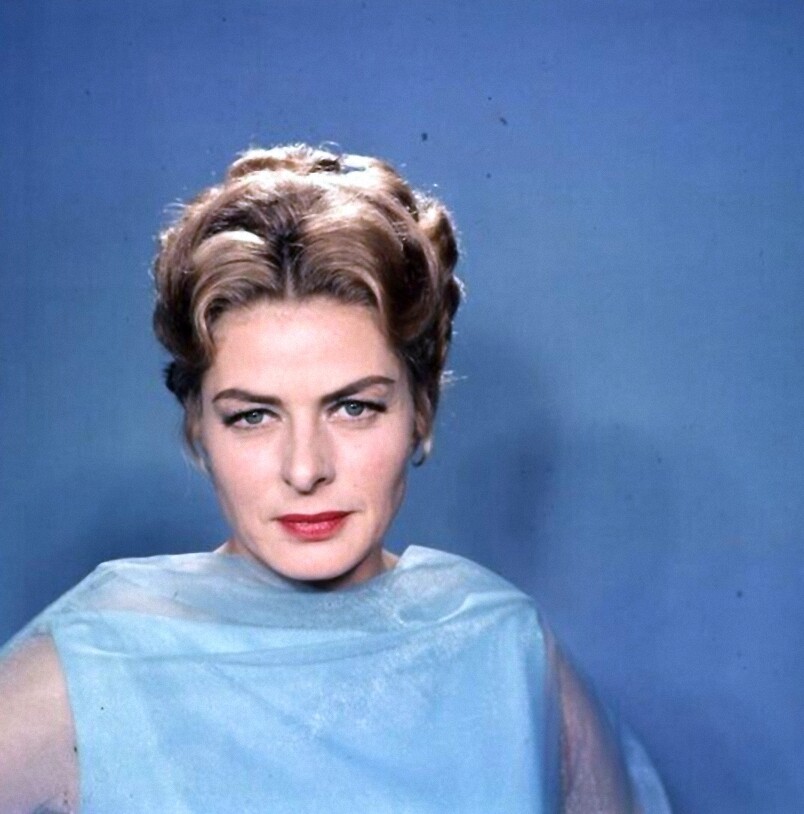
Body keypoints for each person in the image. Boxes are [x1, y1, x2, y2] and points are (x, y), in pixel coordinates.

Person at [0, 144, 670, 813]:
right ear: (198, 427)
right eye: (253, 416)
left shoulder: (504, 648)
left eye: (354, 408)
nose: (305, 470)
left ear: (422, 410)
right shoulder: (97, 659)